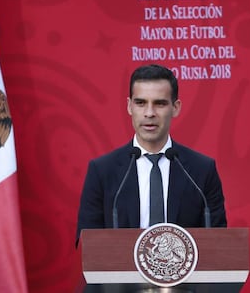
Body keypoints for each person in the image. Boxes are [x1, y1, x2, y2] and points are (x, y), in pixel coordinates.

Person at [75, 64, 227, 246]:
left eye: (160, 104)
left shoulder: (201, 170)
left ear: (175, 108)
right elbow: (88, 243)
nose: (149, 113)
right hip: (120, 274)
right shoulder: (102, 171)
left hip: (186, 274)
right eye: (140, 103)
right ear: (129, 106)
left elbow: (219, 244)